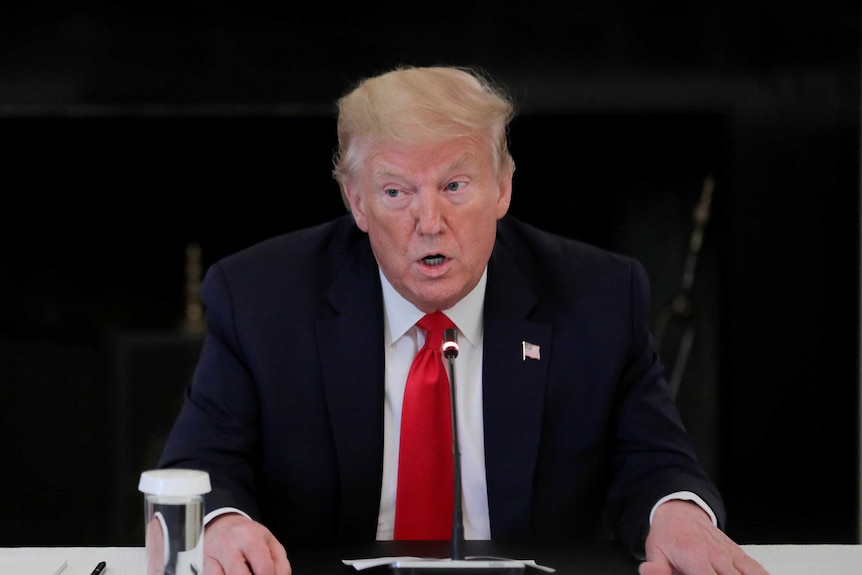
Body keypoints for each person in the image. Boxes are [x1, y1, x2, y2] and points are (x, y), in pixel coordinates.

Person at [157, 65, 769, 575]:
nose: (429, 222)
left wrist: (676, 514)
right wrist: (222, 523)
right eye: (396, 192)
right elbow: (202, 466)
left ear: (502, 188)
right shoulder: (261, 298)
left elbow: (653, 462)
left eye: (455, 185)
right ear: (357, 202)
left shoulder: (599, 297)